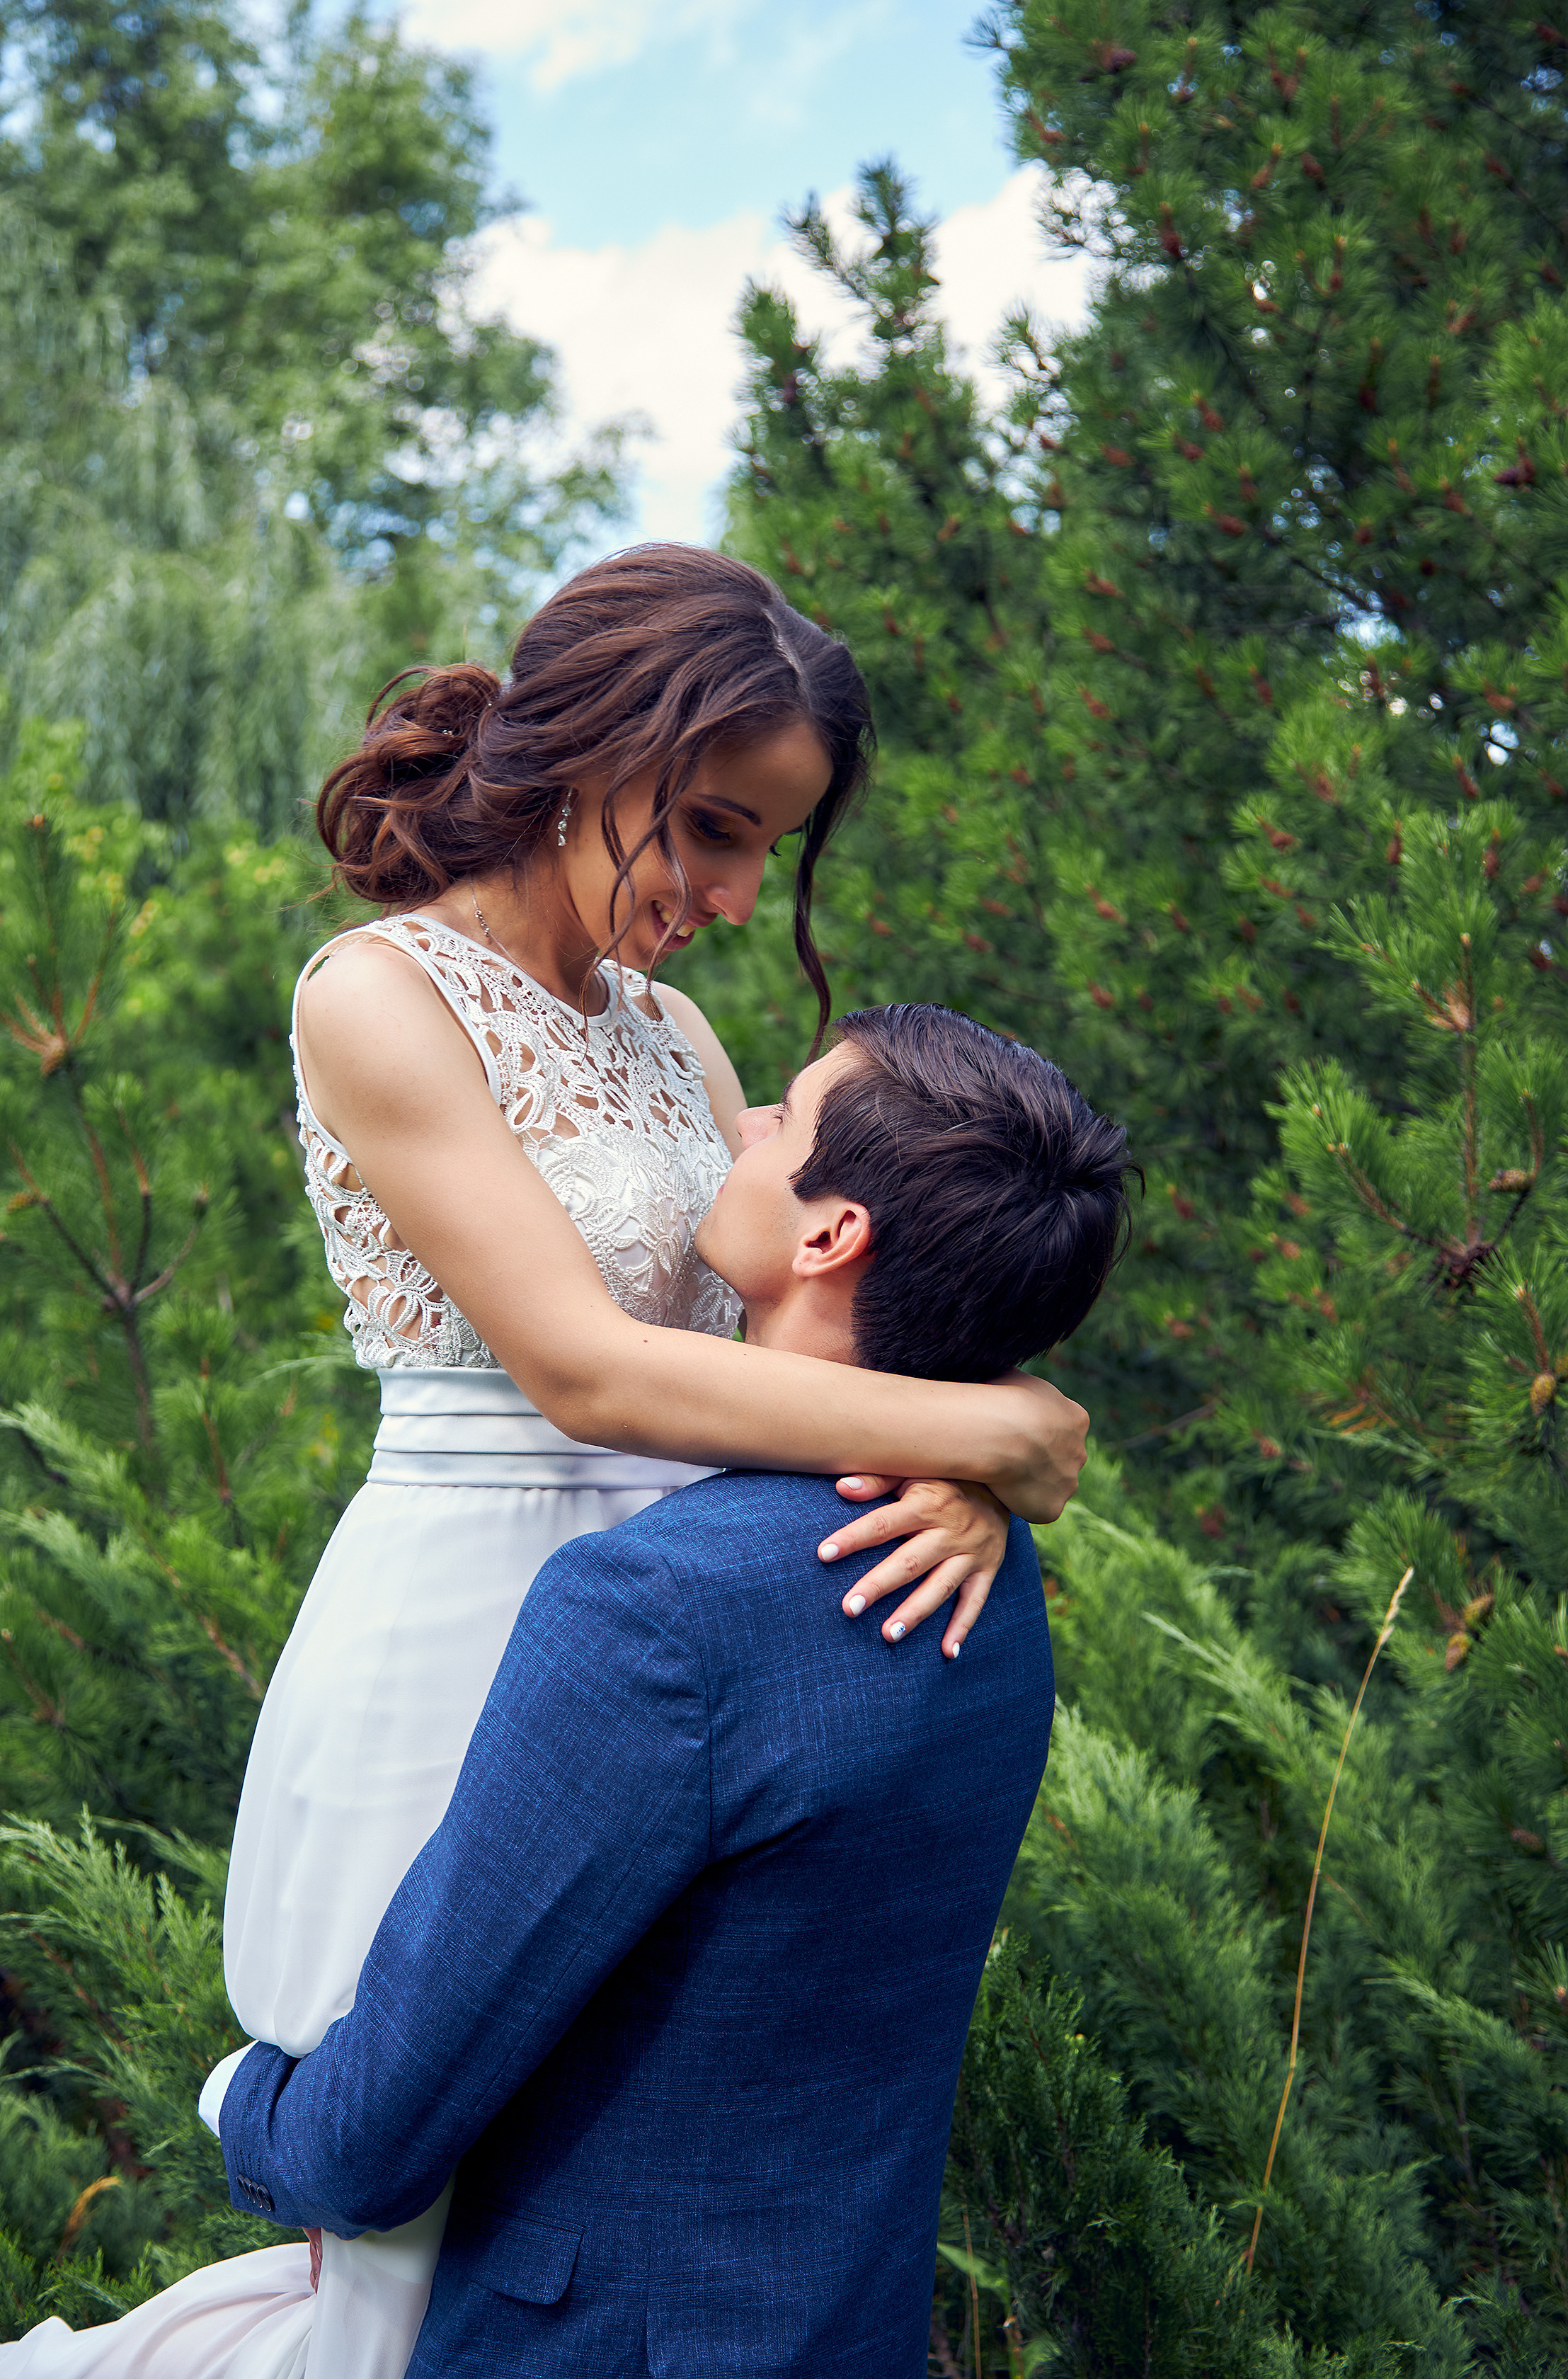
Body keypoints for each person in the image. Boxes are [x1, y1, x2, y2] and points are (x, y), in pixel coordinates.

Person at [0, 551, 1089, 2376]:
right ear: (596, 747)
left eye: (769, 856)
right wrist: (989, 1425)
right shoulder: (377, 995)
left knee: (593, 2160)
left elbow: (790, 1322)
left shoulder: (669, 1032)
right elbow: (585, 1369)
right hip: (469, 1606)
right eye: (718, 832)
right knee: (408, 2198)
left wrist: (965, 1466)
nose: (737, 900)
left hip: (694, 1616)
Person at [211, 1001, 1135, 2375]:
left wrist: (242, 2102)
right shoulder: (984, 1563)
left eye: (783, 1118)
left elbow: (365, 2147)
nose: (742, 1126)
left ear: (828, 1235)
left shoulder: (654, 1610)